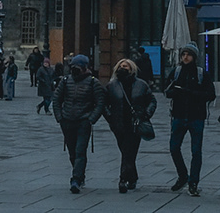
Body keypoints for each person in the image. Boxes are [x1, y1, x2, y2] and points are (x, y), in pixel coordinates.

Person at [165, 44, 213, 195]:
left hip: (196, 116)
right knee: (174, 148)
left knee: (196, 151)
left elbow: (210, 94)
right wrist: (176, 92)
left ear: (194, 57)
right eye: (183, 54)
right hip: (178, 115)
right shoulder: (176, 72)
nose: (185, 57)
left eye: (188, 54)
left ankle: (193, 182)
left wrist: (192, 93)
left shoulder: (201, 74)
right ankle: (183, 175)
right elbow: (166, 90)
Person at [52, 54, 104, 194]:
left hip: (83, 121)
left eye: (78, 67)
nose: (74, 70)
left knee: (80, 151)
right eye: (73, 67)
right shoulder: (66, 81)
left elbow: (100, 103)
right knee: (72, 152)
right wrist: (60, 117)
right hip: (67, 121)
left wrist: (91, 119)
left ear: (85, 68)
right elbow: (56, 99)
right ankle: (79, 174)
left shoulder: (93, 82)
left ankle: (76, 178)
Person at [103, 56, 156, 193]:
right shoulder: (112, 85)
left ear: (131, 69)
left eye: (125, 66)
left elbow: (152, 101)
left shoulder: (141, 85)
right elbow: (104, 103)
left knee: (128, 152)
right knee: (127, 152)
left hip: (135, 123)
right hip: (118, 124)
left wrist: (146, 114)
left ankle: (123, 180)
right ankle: (132, 177)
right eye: (120, 66)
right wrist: (110, 118)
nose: (122, 68)